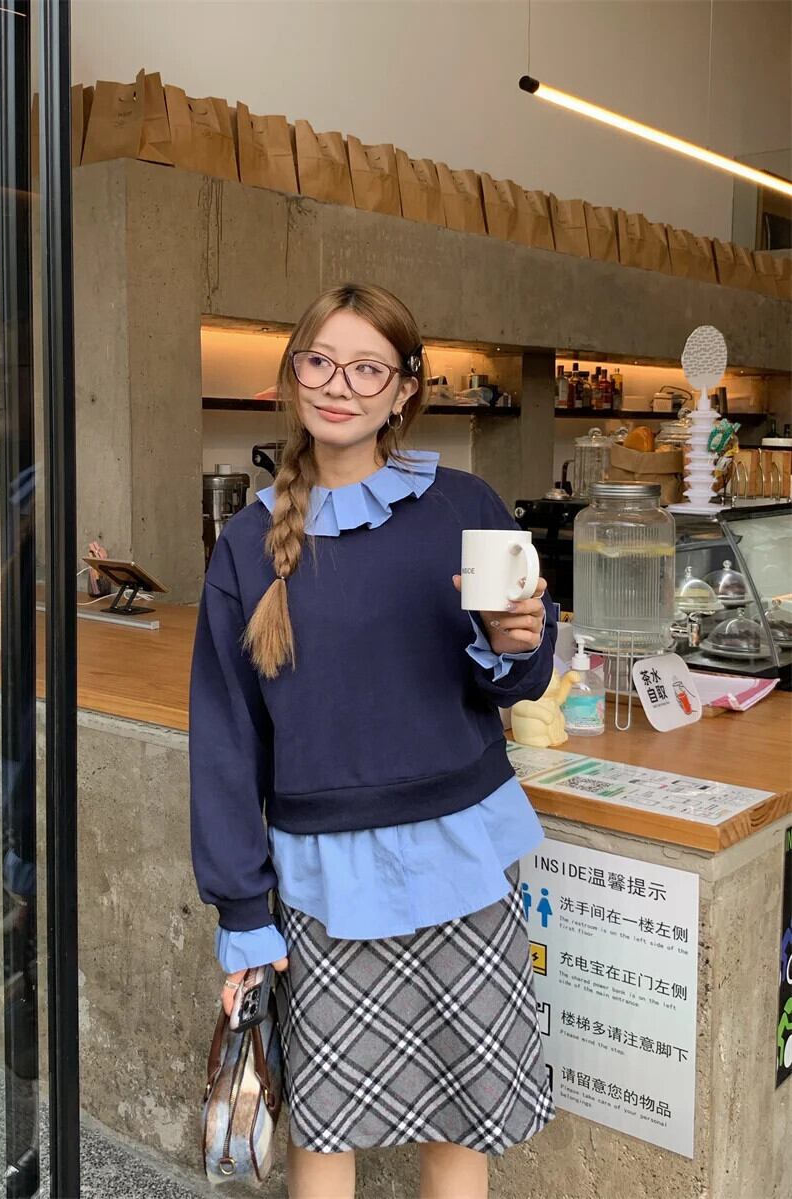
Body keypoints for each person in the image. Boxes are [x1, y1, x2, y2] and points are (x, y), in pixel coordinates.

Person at [189, 283, 557, 1199]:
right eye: (320, 361)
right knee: (327, 1124)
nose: (338, 385)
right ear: (293, 374)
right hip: (324, 877)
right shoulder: (247, 543)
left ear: (404, 389)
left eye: (367, 368)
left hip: (461, 857)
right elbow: (226, 734)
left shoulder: (464, 504)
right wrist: (241, 907)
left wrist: (520, 641)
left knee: (460, 1122)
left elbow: (516, 678)